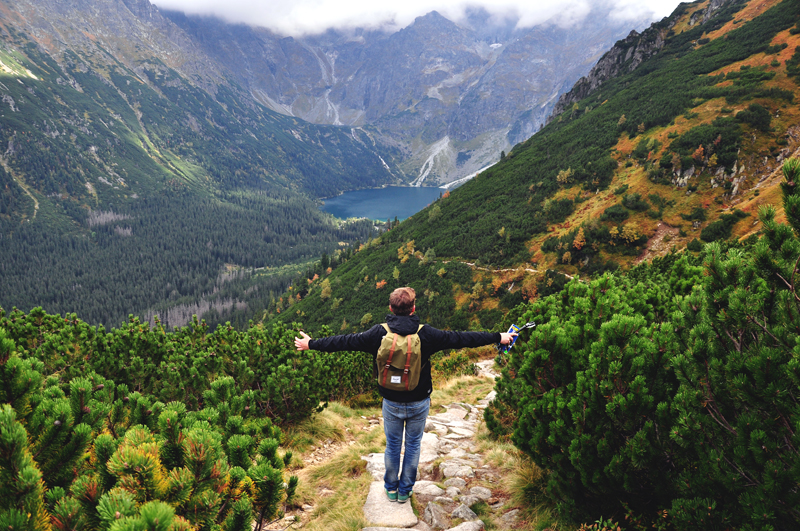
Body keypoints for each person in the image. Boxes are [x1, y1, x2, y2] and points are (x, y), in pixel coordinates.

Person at [294, 286, 516, 503]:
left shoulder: (378, 333)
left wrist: (311, 344)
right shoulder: (427, 334)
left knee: (392, 445)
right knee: (412, 445)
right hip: (419, 401)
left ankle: (390, 489)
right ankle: (405, 491)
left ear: (390, 308)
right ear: (413, 308)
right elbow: (462, 338)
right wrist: (499, 336)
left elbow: (345, 342)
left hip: (391, 401)